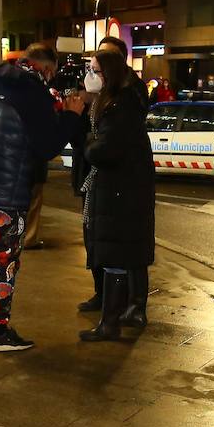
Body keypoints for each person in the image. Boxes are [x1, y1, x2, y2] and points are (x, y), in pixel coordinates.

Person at [0, 41, 86, 351]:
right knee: (6, 261)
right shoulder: (34, 94)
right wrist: (70, 117)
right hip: (9, 190)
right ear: (44, 68)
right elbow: (46, 148)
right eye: (52, 73)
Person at [75, 48, 154, 341]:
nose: (90, 75)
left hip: (122, 193)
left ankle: (111, 322)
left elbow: (105, 150)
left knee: (116, 255)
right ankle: (109, 320)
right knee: (113, 257)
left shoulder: (122, 106)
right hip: (117, 191)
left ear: (109, 73)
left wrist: (89, 142)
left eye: (95, 70)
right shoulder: (109, 103)